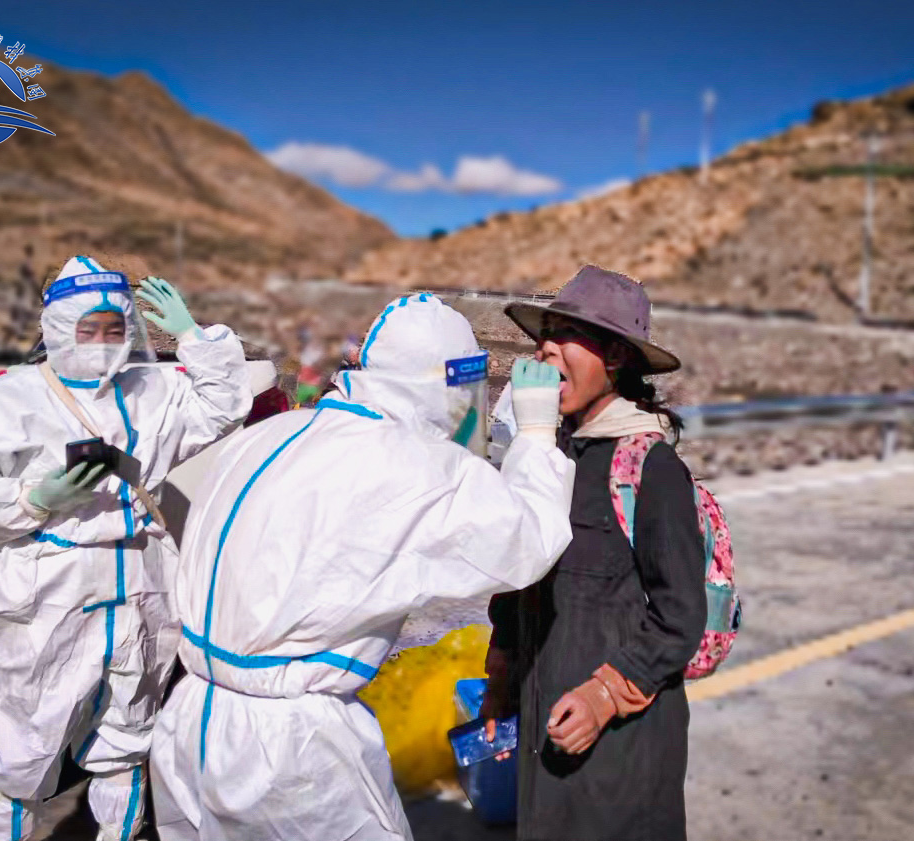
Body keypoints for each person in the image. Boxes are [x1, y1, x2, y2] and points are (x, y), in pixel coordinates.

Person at [149, 292, 575, 841]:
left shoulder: (269, 437)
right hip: (289, 754)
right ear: (441, 380)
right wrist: (537, 435)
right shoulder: (412, 466)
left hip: (190, 721)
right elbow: (525, 541)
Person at [0, 256, 252, 841]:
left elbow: (222, 407)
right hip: (49, 582)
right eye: (88, 329)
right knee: (24, 745)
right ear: (56, 328)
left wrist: (196, 338)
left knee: (128, 736)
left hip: (140, 580)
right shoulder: (13, 398)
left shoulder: (152, 392)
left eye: (115, 329)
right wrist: (31, 499)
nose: (102, 343)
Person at [482, 265, 708, 841]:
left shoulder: (650, 470)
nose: (545, 348)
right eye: (544, 334)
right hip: (545, 723)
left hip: (620, 747)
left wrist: (606, 693)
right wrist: (503, 662)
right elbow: (524, 572)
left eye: (566, 334)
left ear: (613, 357)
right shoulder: (549, 455)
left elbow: (680, 618)